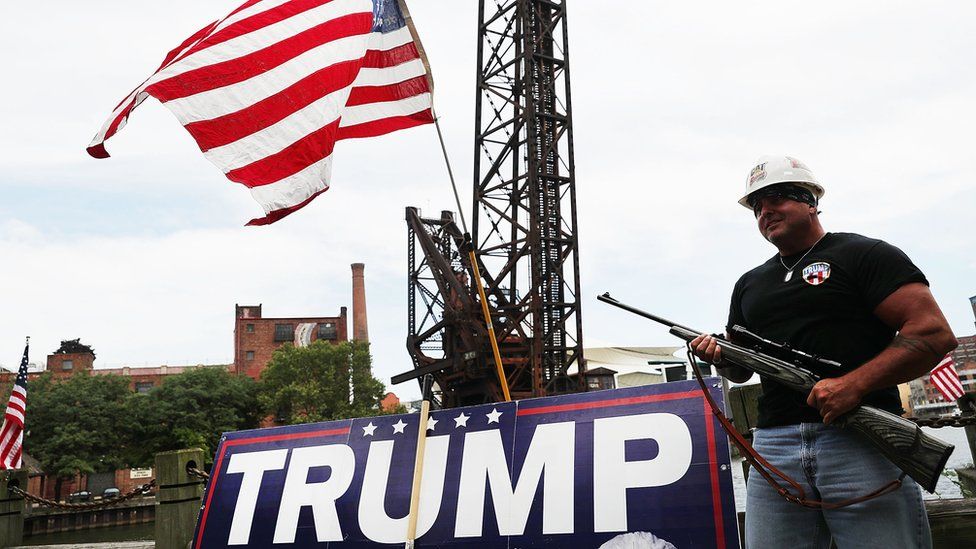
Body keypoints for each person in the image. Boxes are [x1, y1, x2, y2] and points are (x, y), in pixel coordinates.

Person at [691, 155, 957, 549]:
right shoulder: (749, 283)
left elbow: (933, 334)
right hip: (772, 446)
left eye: (776, 198)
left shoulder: (865, 255)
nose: (765, 211)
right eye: (757, 207)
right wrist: (720, 355)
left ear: (810, 200)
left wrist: (853, 384)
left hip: (860, 438)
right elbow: (742, 370)